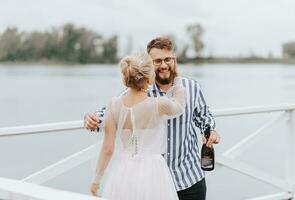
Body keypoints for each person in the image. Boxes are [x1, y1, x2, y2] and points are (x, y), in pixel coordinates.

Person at [85, 37, 220, 200]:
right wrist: (90, 118)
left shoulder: (192, 87)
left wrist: (210, 130)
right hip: (150, 184)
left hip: (189, 178)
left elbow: (204, 116)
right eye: (157, 61)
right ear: (149, 64)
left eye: (167, 59)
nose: (163, 65)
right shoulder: (139, 90)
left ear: (174, 59)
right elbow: (108, 113)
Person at [90, 53, 185, 200]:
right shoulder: (159, 104)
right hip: (152, 171)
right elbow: (179, 107)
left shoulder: (113, 105)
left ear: (125, 78)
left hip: (122, 171)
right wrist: (176, 78)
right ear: (149, 78)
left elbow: (108, 149)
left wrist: (96, 180)